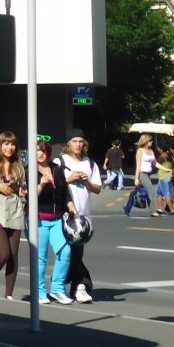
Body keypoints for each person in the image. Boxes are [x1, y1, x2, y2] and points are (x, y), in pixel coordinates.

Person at [58, 128, 101, 303]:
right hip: (64, 214)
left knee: (77, 252)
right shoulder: (60, 161)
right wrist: (69, 178)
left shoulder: (90, 163)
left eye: (81, 141)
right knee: (68, 252)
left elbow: (97, 188)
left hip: (83, 216)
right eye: (74, 141)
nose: (78, 144)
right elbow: (55, 184)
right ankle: (81, 284)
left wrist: (86, 182)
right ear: (68, 143)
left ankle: (76, 285)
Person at [35, 137, 78, 305]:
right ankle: (39, 291)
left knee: (65, 252)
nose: (40, 154)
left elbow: (64, 191)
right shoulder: (29, 171)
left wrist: (70, 204)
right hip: (38, 219)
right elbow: (30, 196)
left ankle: (58, 288)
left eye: (43, 150)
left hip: (57, 218)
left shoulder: (57, 169)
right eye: (37, 150)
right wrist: (41, 185)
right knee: (40, 257)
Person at [0, 131, 26, 300]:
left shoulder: (19, 166)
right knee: (3, 254)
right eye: (6, 144)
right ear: (0, 145)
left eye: (12, 144)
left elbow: (22, 188)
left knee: (13, 255)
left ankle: (9, 293)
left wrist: (22, 191)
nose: (9, 148)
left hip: (15, 211)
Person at [152, 141, 174, 216]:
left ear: (161, 149)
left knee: (166, 193)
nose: (157, 149)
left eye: (158, 148)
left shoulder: (161, 157)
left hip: (164, 177)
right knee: (158, 192)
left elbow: (156, 165)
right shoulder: (169, 156)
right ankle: (160, 209)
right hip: (168, 177)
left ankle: (172, 210)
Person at [133, 133, 157, 207]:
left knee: (145, 191)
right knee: (151, 190)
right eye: (150, 140)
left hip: (148, 174)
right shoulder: (140, 151)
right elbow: (138, 166)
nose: (152, 142)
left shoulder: (151, 151)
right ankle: (153, 210)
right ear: (146, 141)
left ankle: (128, 206)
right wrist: (136, 178)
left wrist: (166, 169)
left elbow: (155, 163)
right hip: (142, 174)